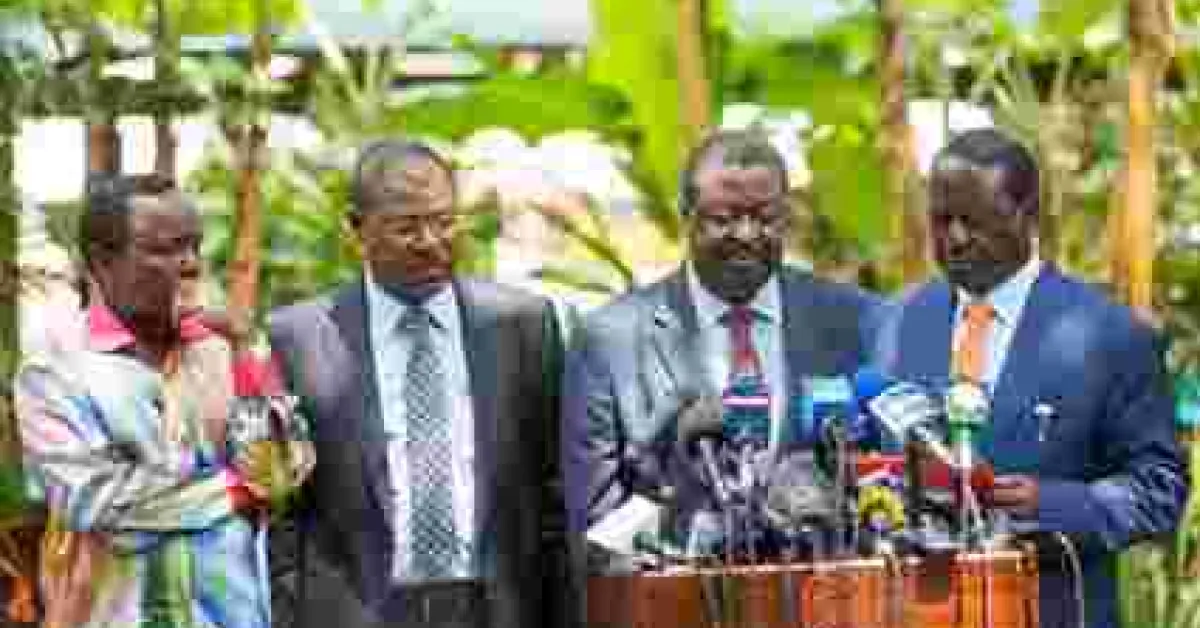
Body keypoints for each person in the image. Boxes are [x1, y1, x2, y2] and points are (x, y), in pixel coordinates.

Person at [873, 128, 1188, 628]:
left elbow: (1160, 490)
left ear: (1027, 216)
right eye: (942, 220)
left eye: (975, 220)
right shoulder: (897, 320)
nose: (955, 239)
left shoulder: (1110, 335)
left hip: (1053, 609)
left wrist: (1052, 504)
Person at [267, 138, 574, 628]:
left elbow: (553, 484)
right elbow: (284, 506)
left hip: (496, 607)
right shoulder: (301, 338)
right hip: (358, 610)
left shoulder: (522, 324)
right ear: (356, 229)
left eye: (445, 222)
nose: (432, 242)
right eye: (407, 228)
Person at [562, 129, 883, 560]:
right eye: (723, 219)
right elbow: (598, 532)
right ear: (686, 216)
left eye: (766, 218)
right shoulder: (609, 340)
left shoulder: (854, 320)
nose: (746, 234)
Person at [13, 173, 310, 628]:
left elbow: (284, 473)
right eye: (165, 249)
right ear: (101, 261)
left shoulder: (219, 350)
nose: (190, 264)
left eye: (194, 246)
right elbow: (97, 503)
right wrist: (233, 491)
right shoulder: (55, 370)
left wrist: (242, 352)